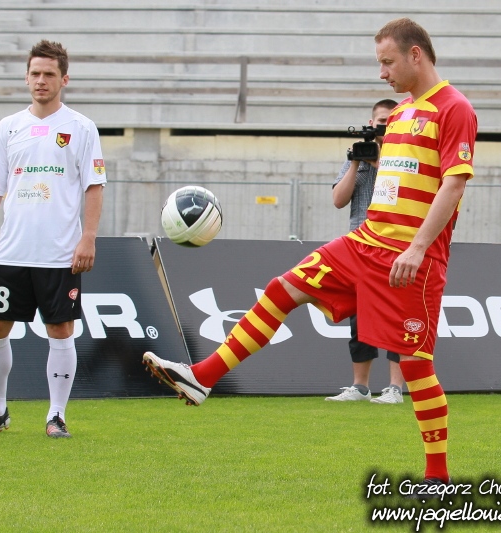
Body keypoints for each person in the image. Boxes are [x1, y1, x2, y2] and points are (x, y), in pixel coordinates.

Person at [143, 17, 477, 489]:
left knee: (416, 365)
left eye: (387, 62)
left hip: (410, 258)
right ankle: (203, 376)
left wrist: (418, 247)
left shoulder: (455, 108)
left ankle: (437, 478)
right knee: (283, 289)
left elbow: (454, 184)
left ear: (415, 55)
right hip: (364, 243)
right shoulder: (401, 114)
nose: (382, 72)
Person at [0, 40, 106, 438]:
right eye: (35, 73)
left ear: (64, 79)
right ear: (26, 78)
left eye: (49, 74)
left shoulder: (81, 127)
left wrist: (88, 237)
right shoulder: (9, 127)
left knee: (59, 330)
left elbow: (94, 186)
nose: (41, 80)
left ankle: (56, 416)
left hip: (59, 252)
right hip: (13, 249)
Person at [326, 98, 405, 404]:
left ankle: (395, 387)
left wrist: (379, 163)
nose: (383, 126)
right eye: (380, 121)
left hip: (395, 245)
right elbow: (338, 200)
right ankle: (360, 386)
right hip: (359, 246)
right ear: (371, 123)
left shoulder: (404, 155)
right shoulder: (357, 154)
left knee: (396, 316)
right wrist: (357, 162)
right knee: (359, 319)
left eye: (390, 121)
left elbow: (403, 194)